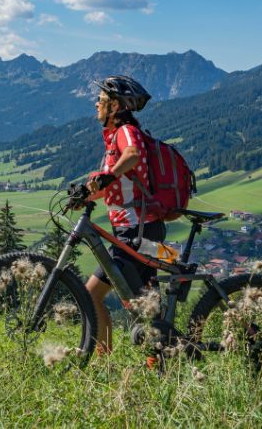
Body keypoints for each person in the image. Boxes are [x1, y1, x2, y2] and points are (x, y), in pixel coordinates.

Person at [83, 75, 165, 354]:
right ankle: (160, 365)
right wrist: (86, 194)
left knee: (93, 295)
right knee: (147, 306)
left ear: (115, 106)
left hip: (137, 232)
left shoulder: (125, 131)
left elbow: (132, 154)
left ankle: (103, 361)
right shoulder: (113, 138)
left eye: (101, 101)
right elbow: (116, 186)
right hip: (134, 231)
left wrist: (109, 174)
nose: (96, 105)